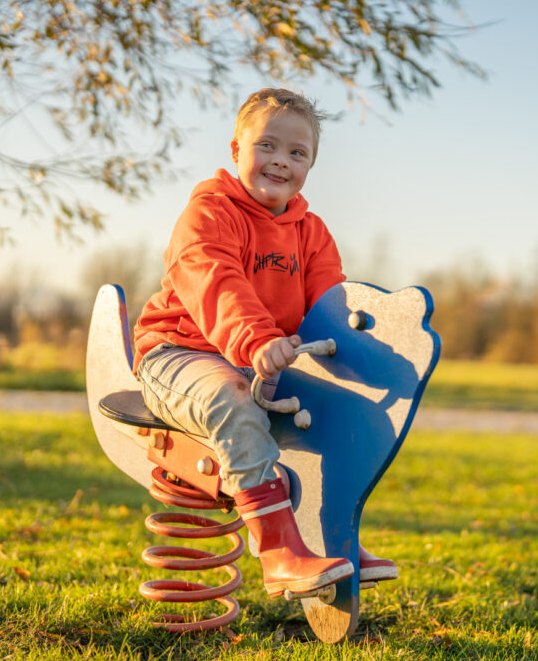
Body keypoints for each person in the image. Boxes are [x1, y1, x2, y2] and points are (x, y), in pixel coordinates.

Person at [131, 88, 396, 598]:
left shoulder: (311, 232)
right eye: (267, 146)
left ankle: (337, 537)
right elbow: (215, 281)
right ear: (236, 150)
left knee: (347, 415)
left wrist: (370, 358)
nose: (280, 161)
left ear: (311, 165)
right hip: (179, 354)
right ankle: (278, 552)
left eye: (297, 152)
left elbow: (330, 308)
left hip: (262, 362)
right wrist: (257, 338)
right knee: (230, 398)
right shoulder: (209, 214)